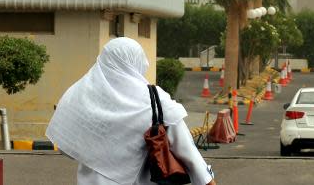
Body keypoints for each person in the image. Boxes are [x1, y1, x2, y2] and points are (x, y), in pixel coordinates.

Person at [46, 37, 216, 185]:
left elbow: (66, 147)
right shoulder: (154, 99)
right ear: (137, 61)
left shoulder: (81, 95)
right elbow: (185, 149)